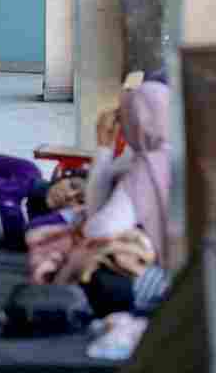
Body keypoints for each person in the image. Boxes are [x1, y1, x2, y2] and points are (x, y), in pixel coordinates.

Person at [27, 81, 172, 315]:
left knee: (93, 265)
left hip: (170, 279)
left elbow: (99, 228)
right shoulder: (170, 154)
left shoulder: (151, 165)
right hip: (200, 275)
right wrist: (104, 149)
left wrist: (104, 148)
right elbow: (99, 208)